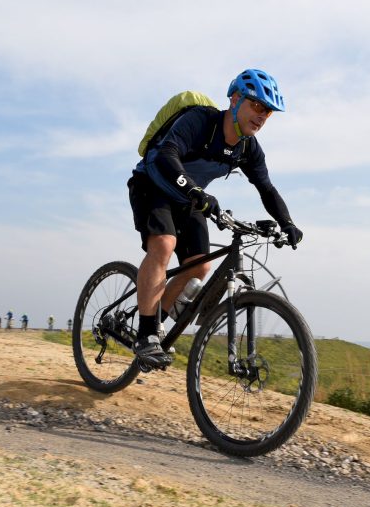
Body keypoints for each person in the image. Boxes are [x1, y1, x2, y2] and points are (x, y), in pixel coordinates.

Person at [127, 69, 303, 369]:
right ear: (235, 99)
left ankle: (154, 327)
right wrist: (195, 191)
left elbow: (266, 188)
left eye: (268, 112)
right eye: (257, 106)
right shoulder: (200, 121)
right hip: (153, 184)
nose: (262, 116)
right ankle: (145, 336)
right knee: (164, 244)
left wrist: (287, 222)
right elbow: (167, 155)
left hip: (188, 199)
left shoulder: (247, 148)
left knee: (200, 266)